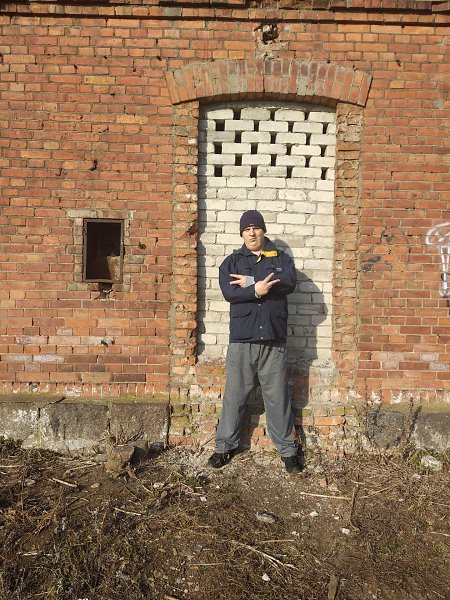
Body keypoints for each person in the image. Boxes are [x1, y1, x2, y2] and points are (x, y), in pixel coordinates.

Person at [208, 210, 301, 474]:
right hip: (243, 340)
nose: (252, 233)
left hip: (273, 340)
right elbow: (229, 292)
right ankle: (224, 447)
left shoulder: (281, 259)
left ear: (263, 231)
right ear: (241, 233)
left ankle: (288, 451)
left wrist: (252, 283)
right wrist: (256, 290)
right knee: (234, 396)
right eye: (247, 229)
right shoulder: (232, 262)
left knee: (278, 399)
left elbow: (289, 282)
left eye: (256, 228)